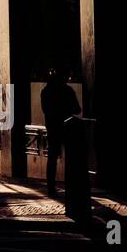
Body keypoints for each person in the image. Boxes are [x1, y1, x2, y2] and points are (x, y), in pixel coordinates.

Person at [41, 68, 81, 197]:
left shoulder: (45, 91)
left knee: (52, 158)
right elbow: (77, 109)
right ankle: (71, 185)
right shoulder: (67, 91)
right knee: (71, 157)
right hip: (66, 126)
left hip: (52, 127)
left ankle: (51, 188)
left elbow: (45, 110)